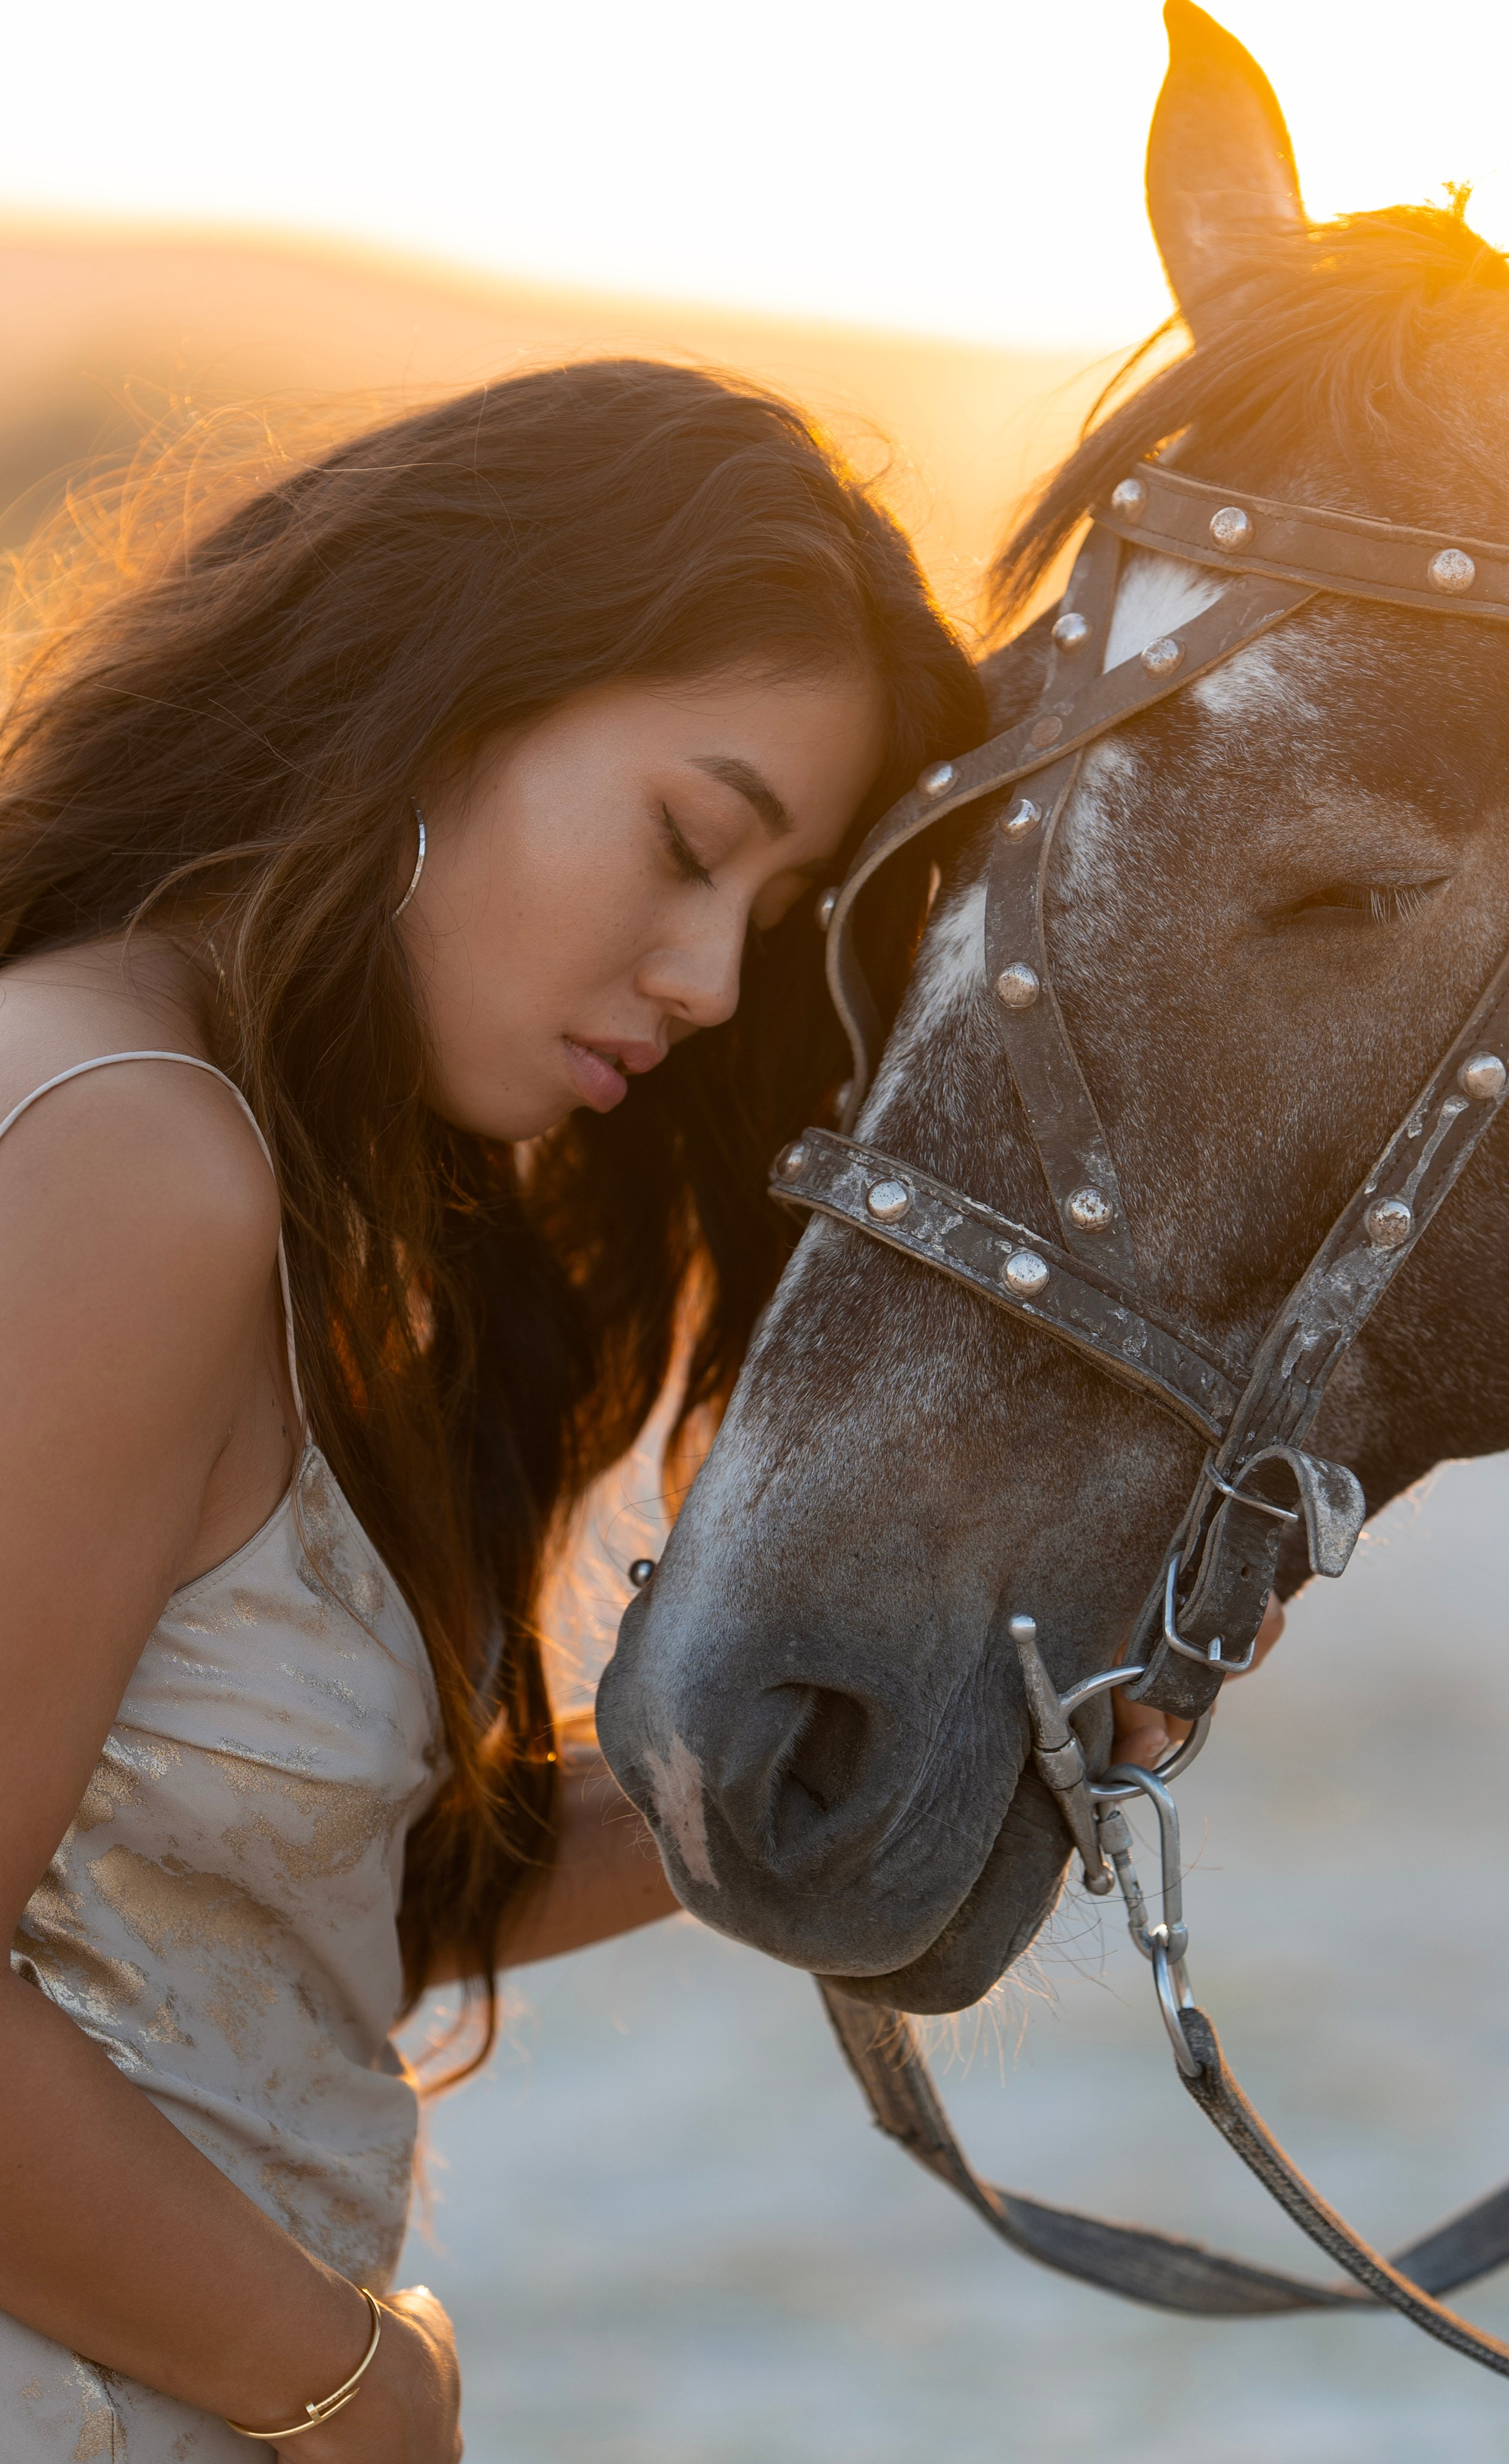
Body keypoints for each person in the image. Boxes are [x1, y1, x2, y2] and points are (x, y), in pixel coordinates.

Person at [0, 359, 985, 2460]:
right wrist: (359, 2388)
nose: (714, 978)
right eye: (690, 841)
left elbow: (266, 1905)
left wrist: (973, 1722)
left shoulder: (246, 1177)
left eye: (772, 914)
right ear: (439, 693)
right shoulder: (126, 1157)